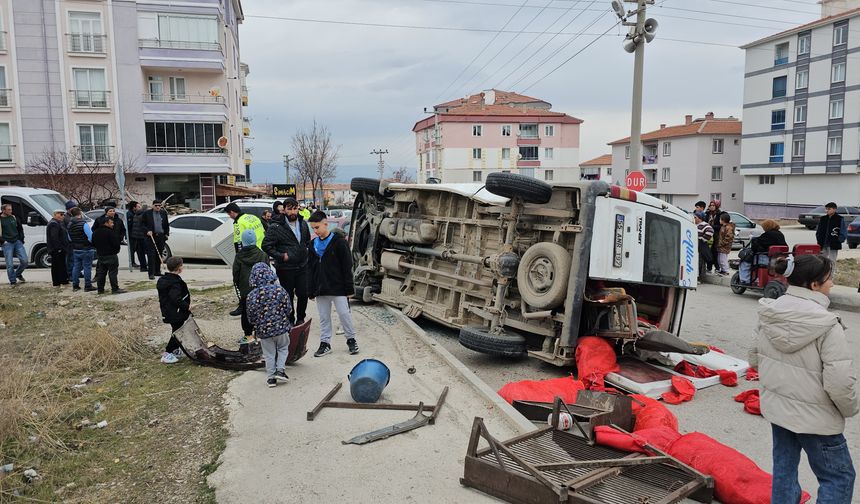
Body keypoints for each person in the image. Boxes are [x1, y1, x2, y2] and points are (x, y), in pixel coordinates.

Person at [750, 254, 857, 503]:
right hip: (817, 418)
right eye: (829, 279)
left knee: (784, 471)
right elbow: (839, 383)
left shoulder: (769, 313)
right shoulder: (828, 324)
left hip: (779, 411)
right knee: (838, 478)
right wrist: (850, 409)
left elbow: (754, 360)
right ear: (814, 285)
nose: (832, 283)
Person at [307, 210, 358, 357]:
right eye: (313, 228)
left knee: (344, 314)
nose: (315, 231)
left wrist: (349, 288)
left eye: (317, 227)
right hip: (320, 288)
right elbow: (310, 268)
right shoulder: (312, 244)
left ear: (325, 224)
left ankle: (351, 339)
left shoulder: (339, 242)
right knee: (324, 317)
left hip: (338, 287)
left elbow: (347, 266)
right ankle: (325, 343)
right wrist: (310, 289)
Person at [262, 197, 311, 325]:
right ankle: (290, 319)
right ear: (284, 210)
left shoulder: (303, 224)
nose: (293, 212)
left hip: (302, 266)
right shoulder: (276, 227)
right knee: (287, 295)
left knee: (303, 294)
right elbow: (266, 246)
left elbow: (307, 241)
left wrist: (305, 251)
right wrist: (281, 256)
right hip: (285, 268)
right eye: (289, 209)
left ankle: (300, 318)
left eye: (295, 208)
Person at [246, 263, 293, 387]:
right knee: (283, 348)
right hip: (281, 328)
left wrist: (256, 324)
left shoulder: (251, 295)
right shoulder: (279, 290)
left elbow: (250, 316)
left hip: (264, 331)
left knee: (269, 354)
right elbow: (288, 308)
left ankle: (271, 379)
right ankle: (280, 371)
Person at [225, 202, 264, 316]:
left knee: (245, 282)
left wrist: (239, 257)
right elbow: (263, 231)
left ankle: (243, 306)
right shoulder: (252, 217)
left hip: (248, 254)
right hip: (260, 251)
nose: (230, 217)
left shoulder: (238, 222)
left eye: (229, 214)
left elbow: (238, 241)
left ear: (232, 212)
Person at [233, 229, 269, 343]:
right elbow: (267, 271)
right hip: (260, 290)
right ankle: (261, 333)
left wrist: (239, 285)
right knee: (261, 310)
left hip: (245, 290)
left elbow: (236, 273)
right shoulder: (262, 254)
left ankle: (248, 335)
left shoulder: (239, 256)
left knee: (246, 312)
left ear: (243, 241)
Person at [157, 256, 190, 364]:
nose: (182, 267)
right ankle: (167, 353)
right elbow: (176, 298)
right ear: (179, 268)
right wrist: (187, 306)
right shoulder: (174, 282)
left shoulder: (164, 279)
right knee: (178, 332)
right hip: (175, 312)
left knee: (177, 330)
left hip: (168, 311)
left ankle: (175, 350)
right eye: (181, 265)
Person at [738, 219, 788, 284]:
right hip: (777, 259)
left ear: (767, 227)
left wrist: (753, 240)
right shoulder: (780, 234)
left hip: (767, 259)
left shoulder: (767, 234)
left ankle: (744, 281)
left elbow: (755, 247)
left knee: (745, 261)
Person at [91, 218, 126, 295]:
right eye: (111, 223)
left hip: (100, 255)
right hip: (111, 255)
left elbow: (93, 243)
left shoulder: (95, 232)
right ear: (106, 223)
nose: (113, 224)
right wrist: (116, 251)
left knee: (101, 273)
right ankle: (115, 289)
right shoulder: (110, 232)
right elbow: (116, 244)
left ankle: (100, 289)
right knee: (112, 272)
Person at [68, 207, 96, 292]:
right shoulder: (83, 224)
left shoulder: (70, 224)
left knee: (76, 267)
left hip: (76, 248)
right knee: (87, 267)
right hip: (86, 248)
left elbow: (69, 238)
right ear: (80, 213)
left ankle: (75, 285)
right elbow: (91, 236)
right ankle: (88, 285)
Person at [816, 202, 846, 276]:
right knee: (822, 260)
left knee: (832, 261)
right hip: (823, 243)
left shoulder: (839, 219)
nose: (827, 210)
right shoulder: (823, 219)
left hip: (833, 243)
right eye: (826, 209)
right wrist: (818, 239)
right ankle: (822, 275)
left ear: (834, 209)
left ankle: (830, 276)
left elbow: (843, 232)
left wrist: (839, 240)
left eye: (829, 209)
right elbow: (818, 231)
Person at [0, 203, 27, 286]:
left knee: (24, 261)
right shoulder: (1, 219)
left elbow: (20, 228)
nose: (11, 211)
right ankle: (13, 281)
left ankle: (17, 274)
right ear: (3, 210)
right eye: (8, 210)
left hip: (17, 241)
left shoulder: (14, 217)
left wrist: (21, 239)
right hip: (7, 243)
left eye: (11, 209)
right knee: (9, 264)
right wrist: (3, 241)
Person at [143, 200, 170, 280]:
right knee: (151, 255)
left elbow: (166, 224)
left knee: (159, 254)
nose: (158, 207)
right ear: (152, 206)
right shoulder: (147, 213)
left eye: (159, 205)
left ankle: (157, 271)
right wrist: (147, 231)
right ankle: (151, 273)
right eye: (156, 205)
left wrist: (166, 234)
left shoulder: (163, 213)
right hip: (151, 236)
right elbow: (142, 224)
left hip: (161, 236)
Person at [46, 209, 70, 287]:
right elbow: (54, 237)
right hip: (57, 249)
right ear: (55, 214)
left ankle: (62, 280)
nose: (62, 216)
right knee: (57, 266)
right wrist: (59, 248)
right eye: (60, 214)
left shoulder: (58, 223)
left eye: (63, 214)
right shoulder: (54, 224)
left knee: (61, 265)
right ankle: (57, 281)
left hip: (59, 248)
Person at [706, 200, 726, 273]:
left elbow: (721, 226)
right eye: (710, 205)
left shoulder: (719, 214)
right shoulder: (707, 213)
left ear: (716, 206)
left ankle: (717, 267)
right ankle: (709, 267)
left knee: (715, 252)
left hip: (716, 235)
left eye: (713, 205)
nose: (711, 207)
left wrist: (711, 226)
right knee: (708, 252)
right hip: (708, 234)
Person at [128, 202, 148, 272]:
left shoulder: (136, 214)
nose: (139, 208)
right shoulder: (140, 215)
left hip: (136, 236)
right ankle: (137, 264)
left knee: (140, 252)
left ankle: (143, 266)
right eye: (138, 206)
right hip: (140, 236)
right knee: (137, 251)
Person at [694, 212, 713, 280]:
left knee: (700, 262)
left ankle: (700, 277)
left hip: (700, 246)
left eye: (695, 217)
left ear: (699, 218)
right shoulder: (695, 224)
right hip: (695, 246)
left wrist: (703, 239)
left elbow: (710, 231)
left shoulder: (704, 224)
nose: (694, 218)